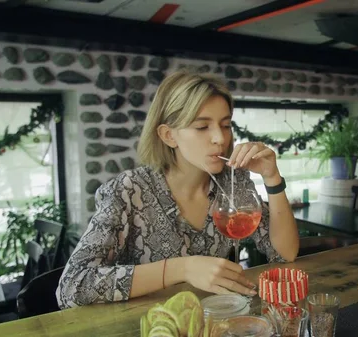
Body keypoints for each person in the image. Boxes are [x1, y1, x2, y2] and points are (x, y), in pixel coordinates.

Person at [56, 71, 299, 309]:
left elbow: (284, 253)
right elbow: (71, 287)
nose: (220, 138)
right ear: (168, 135)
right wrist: (183, 268)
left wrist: (272, 177)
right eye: (202, 127)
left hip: (216, 319)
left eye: (225, 125)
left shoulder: (233, 182)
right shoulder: (128, 191)